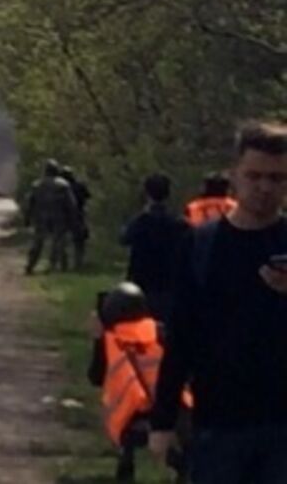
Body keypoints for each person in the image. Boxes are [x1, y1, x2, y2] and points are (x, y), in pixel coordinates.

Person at [150, 121, 287, 483]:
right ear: (234, 176)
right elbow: (180, 336)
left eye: (277, 179)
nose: (264, 188)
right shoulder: (200, 246)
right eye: (254, 175)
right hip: (218, 425)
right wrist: (163, 422)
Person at [88, 282, 190, 482]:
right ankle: (182, 467)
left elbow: (95, 377)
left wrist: (97, 338)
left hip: (132, 412)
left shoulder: (110, 339)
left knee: (130, 433)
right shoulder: (158, 331)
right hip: (173, 405)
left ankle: (126, 465)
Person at [120, 174, 189, 321]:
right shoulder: (178, 223)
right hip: (168, 280)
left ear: (147, 193)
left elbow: (124, 239)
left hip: (141, 279)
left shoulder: (141, 221)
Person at [24, 159, 79, 274]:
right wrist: (73, 219)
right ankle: (56, 266)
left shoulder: (37, 185)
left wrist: (27, 218)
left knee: (38, 243)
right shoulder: (63, 185)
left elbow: (30, 203)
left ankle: (30, 265)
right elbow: (71, 204)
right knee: (58, 243)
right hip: (58, 217)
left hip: (41, 217)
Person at [61, 165, 91, 269]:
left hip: (65, 216)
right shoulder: (79, 185)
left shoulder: (62, 187)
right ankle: (78, 263)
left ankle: (64, 264)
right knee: (79, 241)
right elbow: (88, 196)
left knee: (63, 241)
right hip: (78, 215)